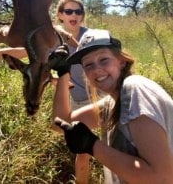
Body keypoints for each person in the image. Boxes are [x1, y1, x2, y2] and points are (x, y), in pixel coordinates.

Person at [50, 29, 173, 184]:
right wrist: (63, 74)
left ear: (121, 61)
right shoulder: (111, 103)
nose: (96, 69)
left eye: (104, 60)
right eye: (88, 65)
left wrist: (92, 145)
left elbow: (162, 179)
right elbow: (60, 123)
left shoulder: (135, 88)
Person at [54, 0, 93, 184]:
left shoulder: (90, 37)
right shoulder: (55, 40)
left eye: (78, 11)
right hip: (75, 99)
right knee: (82, 148)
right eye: (69, 11)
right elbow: (22, 52)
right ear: (60, 15)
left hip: (98, 97)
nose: (74, 15)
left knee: (92, 148)